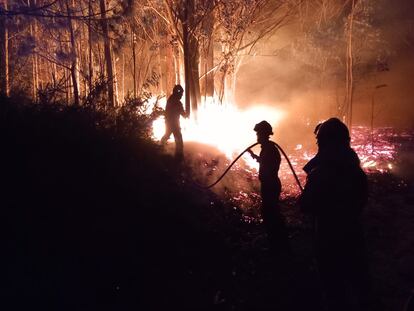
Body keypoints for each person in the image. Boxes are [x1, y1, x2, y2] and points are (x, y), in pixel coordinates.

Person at [299, 118, 372, 311]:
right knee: (359, 285)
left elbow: (306, 205)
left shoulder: (321, 173)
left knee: (333, 288)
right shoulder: (356, 172)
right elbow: (362, 201)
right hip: (354, 235)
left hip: (328, 238)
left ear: (324, 142)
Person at [248, 120, 290, 255]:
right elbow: (264, 161)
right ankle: (277, 241)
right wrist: (254, 156)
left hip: (271, 185)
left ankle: (277, 245)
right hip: (268, 184)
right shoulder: (267, 149)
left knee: (271, 213)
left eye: (259, 134)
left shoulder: (271, 149)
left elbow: (269, 165)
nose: (257, 137)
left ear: (265, 134)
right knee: (270, 212)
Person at [160, 84, 188, 159]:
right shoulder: (177, 103)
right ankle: (179, 156)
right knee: (179, 140)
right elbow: (183, 114)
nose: (182, 96)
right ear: (178, 93)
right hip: (174, 124)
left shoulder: (171, 99)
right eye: (181, 94)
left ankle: (159, 149)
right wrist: (187, 114)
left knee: (166, 136)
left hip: (169, 123)